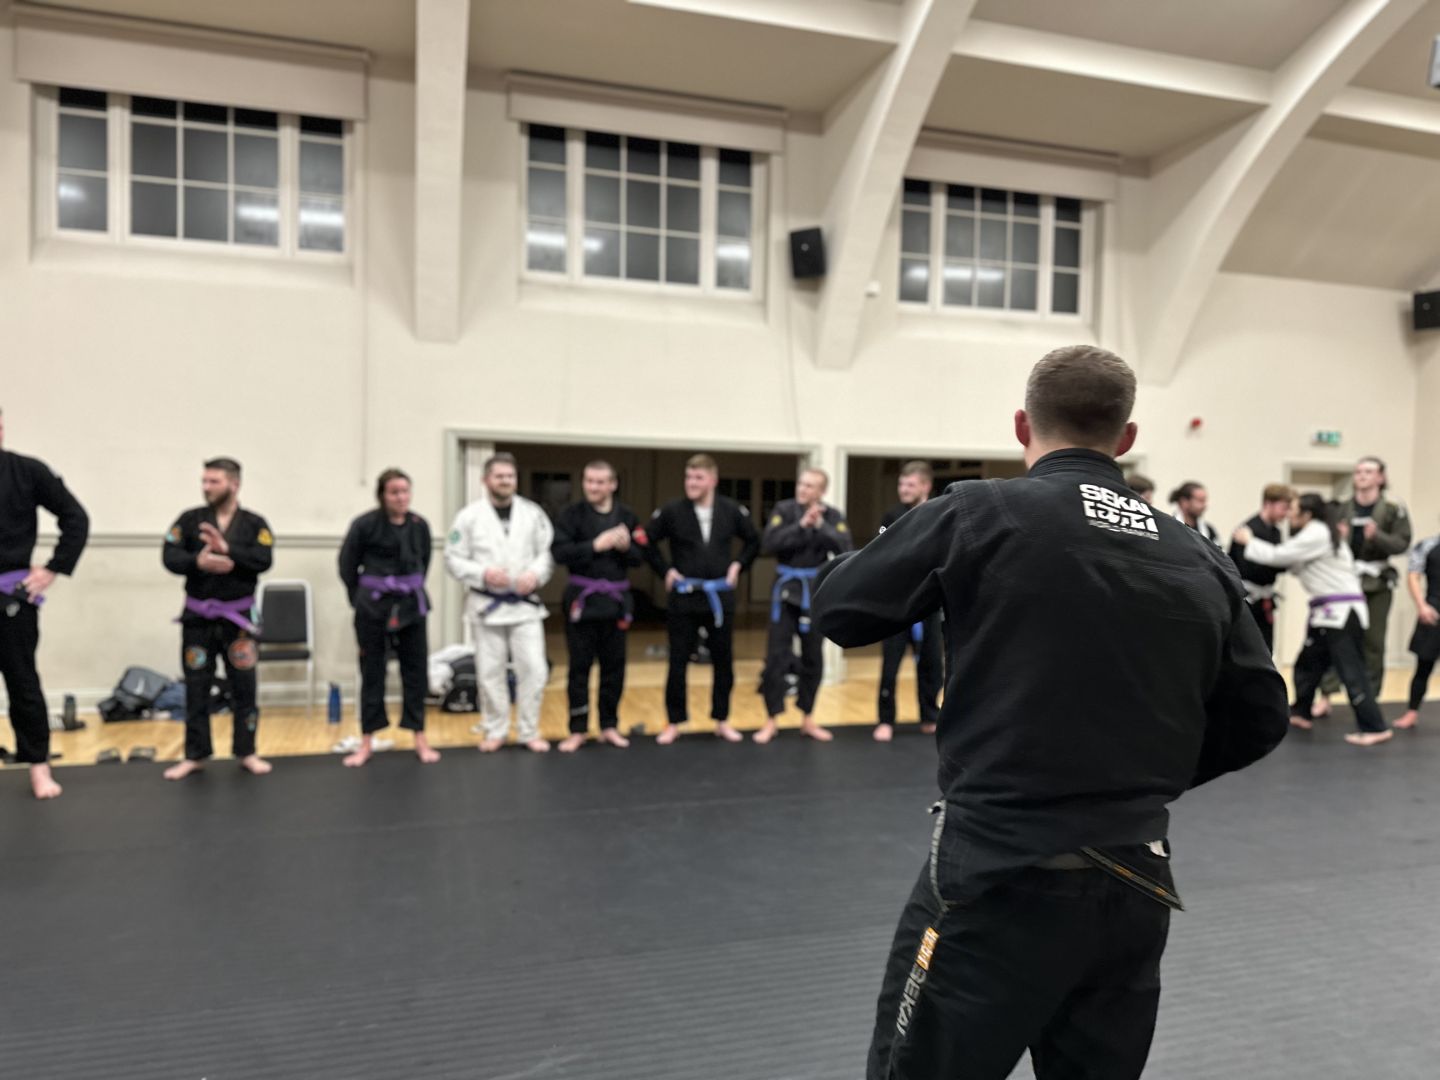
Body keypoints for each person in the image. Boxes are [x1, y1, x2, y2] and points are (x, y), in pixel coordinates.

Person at [814, 345, 1289, 1080]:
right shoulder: (1195, 553)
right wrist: (1136, 777)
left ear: (1021, 425)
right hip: (1133, 881)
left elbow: (840, 609)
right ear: (1126, 437)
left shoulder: (980, 511)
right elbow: (1261, 715)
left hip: (998, 874)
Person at [1234, 493, 1391, 746]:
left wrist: (1249, 541)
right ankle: (1301, 712)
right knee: (1309, 662)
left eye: (1293, 509)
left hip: (1341, 613)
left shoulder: (1317, 532)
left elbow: (1280, 556)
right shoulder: (1318, 534)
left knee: (1351, 670)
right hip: (1326, 614)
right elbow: (1293, 563)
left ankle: (1374, 726)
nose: (1289, 514)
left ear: (1307, 514)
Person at [161, 458, 274, 780]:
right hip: (198, 618)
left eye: (214, 481)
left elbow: (264, 559)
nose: (206, 487)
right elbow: (169, 556)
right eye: (205, 481)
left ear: (234, 484)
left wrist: (229, 549)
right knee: (196, 686)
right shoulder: (190, 520)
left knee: (244, 687)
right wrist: (196, 562)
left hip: (239, 621)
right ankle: (195, 754)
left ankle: (247, 751)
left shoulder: (255, 524)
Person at [635, 454, 759, 744]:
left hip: (718, 598)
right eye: (688, 477)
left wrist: (738, 565)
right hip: (684, 598)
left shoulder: (731, 510)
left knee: (723, 661)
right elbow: (644, 540)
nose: (691, 483)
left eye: (698, 478)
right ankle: (674, 722)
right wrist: (665, 570)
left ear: (713, 480)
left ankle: (722, 719)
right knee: (678, 661)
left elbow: (754, 540)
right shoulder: (673, 511)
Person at [0, 408, 89, 800]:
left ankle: (38, 766)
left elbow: (75, 517)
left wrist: (54, 568)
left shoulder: (27, 471)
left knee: (22, 683)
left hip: (11, 596)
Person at [445, 452, 554, 753]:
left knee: (534, 670)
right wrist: (482, 573)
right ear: (486, 480)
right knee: (489, 672)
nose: (505, 481)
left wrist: (535, 574)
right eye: (499, 476)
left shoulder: (533, 514)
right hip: (487, 606)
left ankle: (529, 731)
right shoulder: (468, 517)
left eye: (510, 476)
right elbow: (453, 558)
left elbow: (546, 553)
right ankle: (495, 729)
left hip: (525, 607)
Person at [338, 468, 437, 766]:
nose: (401, 497)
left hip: (410, 605)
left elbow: (424, 562)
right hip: (373, 606)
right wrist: (360, 599)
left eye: (405, 491)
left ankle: (419, 736)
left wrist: (408, 588)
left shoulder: (419, 525)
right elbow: (347, 565)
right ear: (382, 495)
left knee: (416, 671)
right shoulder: (365, 524)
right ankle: (367, 740)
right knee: (372, 671)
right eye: (394, 492)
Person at [754, 467, 853, 744]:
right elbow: (768, 543)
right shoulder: (783, 511)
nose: (803, 489)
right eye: (801, 484)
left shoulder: (832, 516)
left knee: (813, 657)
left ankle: (808, 717)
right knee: (776, 656)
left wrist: (819, 526)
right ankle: (771, 719)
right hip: (785, 592)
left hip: (814, 592)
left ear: (821, 491)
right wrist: (801, 525)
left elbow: (846, 547)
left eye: (810, 486)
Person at [551, 460, 641, 752]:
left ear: (613, 484)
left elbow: (641, 558)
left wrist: (626, 547)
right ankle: (577, 729)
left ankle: (609, 726)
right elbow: (560, 553)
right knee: (579, 667)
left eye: (600, 482)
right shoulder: (571, 515)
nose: (593, 487)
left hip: (616, 602)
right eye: (589, 481)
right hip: (582, 599)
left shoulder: (627, 516)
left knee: (614, 667)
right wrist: (594, 546)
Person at [1317, 457, 1411, 708]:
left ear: (1381, 477)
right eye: (1358, 471)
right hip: (1344, 582)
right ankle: (1326, 693)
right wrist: (1339, 536)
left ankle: (1369, 699)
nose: (1362, 476)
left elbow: (1402, 543)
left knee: (1373, 642)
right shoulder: (1342, 507)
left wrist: (1377, 536)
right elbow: (1322, 541)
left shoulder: (1392, 509)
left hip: (1377, 583)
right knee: (1336, 637)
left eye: (1368, 471)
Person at [874, 461, 942, 743]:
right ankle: (885, 719)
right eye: (901, 484)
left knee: (931, 664)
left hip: (929, 603)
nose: (903, 489)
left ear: (925, 486)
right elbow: (880, 553)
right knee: (890, 665)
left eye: (910, 485)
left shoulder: (939, 512)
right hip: (897, 604)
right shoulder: (892, 516)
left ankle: (929, 715)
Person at [1228, 484, 1294, 654]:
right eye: (1283, 508)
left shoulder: (1275, 532)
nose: (1286, 514)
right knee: (1247, 648)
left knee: (1266, 648)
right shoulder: (1246, 530)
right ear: (1268, 504)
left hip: (1265, 600)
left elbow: (1281, 565)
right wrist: (1272, 563)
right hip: (1247, 601)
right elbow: (1246, 568)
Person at [1395, 530, 1440, 730]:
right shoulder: (1427, 546)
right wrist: (1422, 606)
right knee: (1423, 666)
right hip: (1433, 612)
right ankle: (1411, 713)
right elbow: (1413, 576)